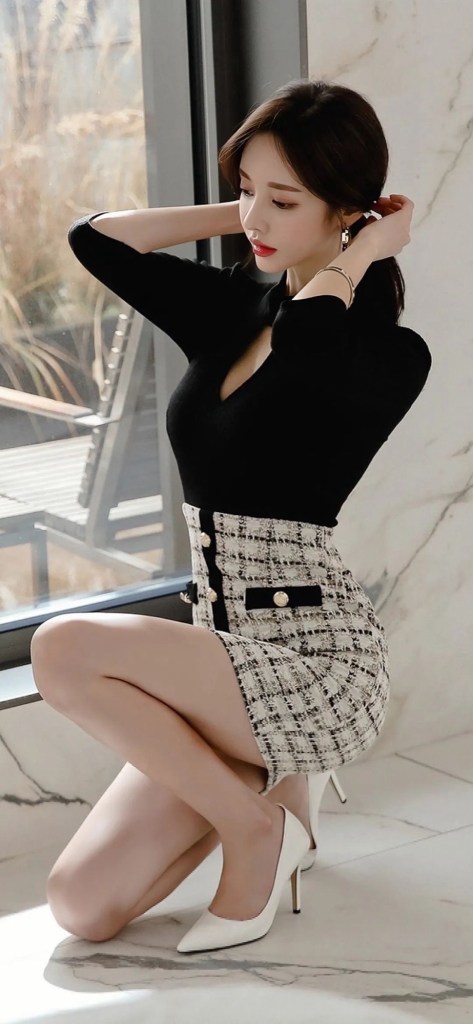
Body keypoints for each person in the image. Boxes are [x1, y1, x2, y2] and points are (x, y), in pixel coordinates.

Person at [31, 79, 432, 954]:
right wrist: (258, 212)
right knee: (81, 906)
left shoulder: (387, 355)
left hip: (317, 666)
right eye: (246, 188)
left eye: (284, 199)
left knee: (61, 648)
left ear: (348, 211)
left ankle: (258, 827)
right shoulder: (232, 309)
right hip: (220, 658)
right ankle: (274, 806)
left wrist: (361, 248)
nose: (255, 215)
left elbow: (309, 345)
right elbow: (96, 240)